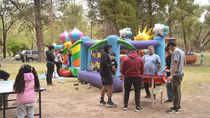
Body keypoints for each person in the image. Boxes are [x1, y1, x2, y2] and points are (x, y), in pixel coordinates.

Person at [166, 42, 185, 114]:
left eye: (169, 47)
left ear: (171, 45)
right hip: (180, 73)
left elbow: (176, 63)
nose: (169, 49)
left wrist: (171, 75)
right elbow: (181, 63)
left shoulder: (176, 52)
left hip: (176, 75)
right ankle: (178, 106)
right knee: (178, 91)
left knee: (175, 92)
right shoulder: (181, 51)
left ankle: (175, 108)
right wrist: (170, 70)